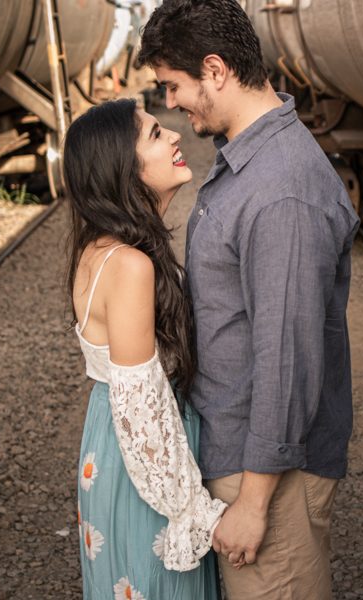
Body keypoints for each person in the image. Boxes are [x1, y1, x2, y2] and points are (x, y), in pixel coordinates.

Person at [136, 1, 360, 598]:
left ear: (215, 70)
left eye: (173, 86)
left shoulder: (280, 190)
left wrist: (255, 503)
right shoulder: (249, 158)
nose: (172, 103)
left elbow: (287, 361)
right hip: (236, 451)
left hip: (263, 473)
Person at [63, 98, 227, 599]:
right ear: (123, 168)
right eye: (156, 135)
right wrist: (195, 513)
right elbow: (141, 407)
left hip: (111, 446)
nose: (176, 136)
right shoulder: (130, 265)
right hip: (144, 464)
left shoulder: (99, 248)